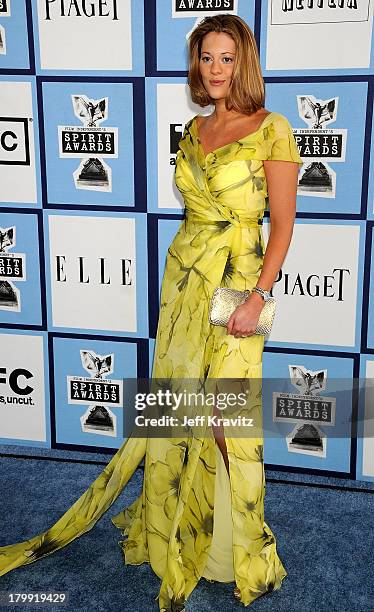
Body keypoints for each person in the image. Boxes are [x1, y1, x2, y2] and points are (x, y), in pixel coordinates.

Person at [0, 14, 302, 612]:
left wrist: (260, 295)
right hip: (186, 278)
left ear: (245, 63)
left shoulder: (273, 129)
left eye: (226, 58)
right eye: (206, 58)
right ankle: (194, 532)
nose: (215, 69)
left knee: (229, 415)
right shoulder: (194, 130)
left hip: (241, 280)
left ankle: (242, 547)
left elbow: (284, 226)